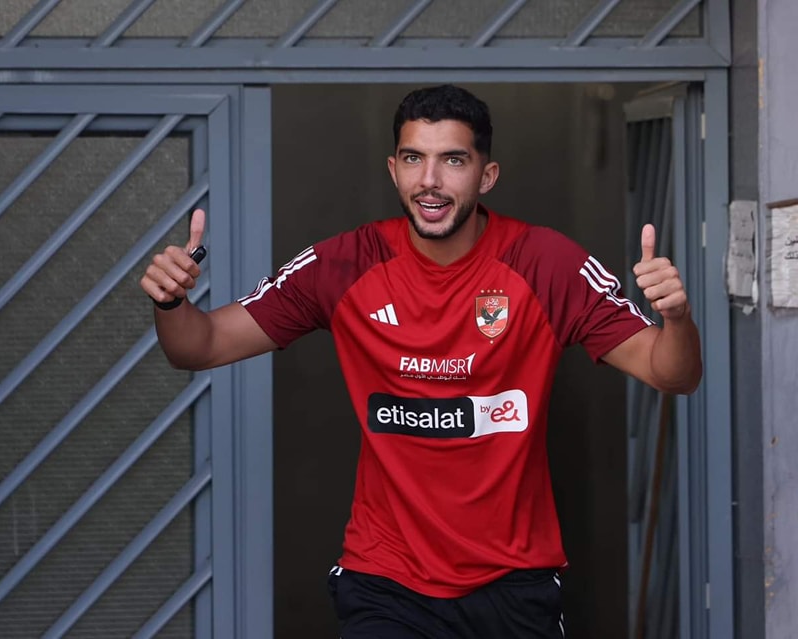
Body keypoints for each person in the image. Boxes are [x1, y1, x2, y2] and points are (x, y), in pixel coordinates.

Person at [139, 84, 701, 639]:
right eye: (413, 159)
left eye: (452, 160)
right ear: (394, 170)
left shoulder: (546, 264)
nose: (429, 180)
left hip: (513, 584)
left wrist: (675, 319)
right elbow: (200, 346)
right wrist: (171, 301)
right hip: (386, 583)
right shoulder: (345, 265)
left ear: (486, 175)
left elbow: (672, 373)